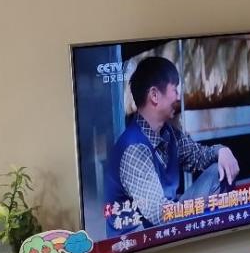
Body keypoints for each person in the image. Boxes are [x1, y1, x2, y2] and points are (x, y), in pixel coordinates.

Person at [103, 56, 240, 233]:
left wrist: (222, 151)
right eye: (175, 89)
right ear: (154, 95)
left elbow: (198, 156)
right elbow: (160, 215)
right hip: (141, 239)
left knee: (218, 172)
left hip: (168, 225)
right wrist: (199, 210)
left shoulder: (169, 134)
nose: (178, 96)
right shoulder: (134, 149)